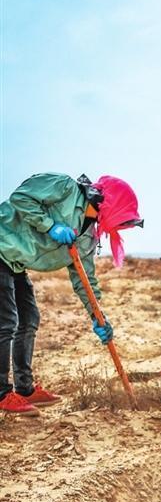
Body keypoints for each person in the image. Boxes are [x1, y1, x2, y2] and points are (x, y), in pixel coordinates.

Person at [0, 173, 143, 417]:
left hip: (15, 262)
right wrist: (50, 225)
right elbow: (21, 198)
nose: (121, 227)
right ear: (111, 205)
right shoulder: (65, 188)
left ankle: (24, 389)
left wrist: (98, 316)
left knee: (29, 320)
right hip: (2, 247)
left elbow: (84, 279)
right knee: (7, 323)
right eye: (123, 221)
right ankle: (2, 394)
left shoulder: (88, 237)